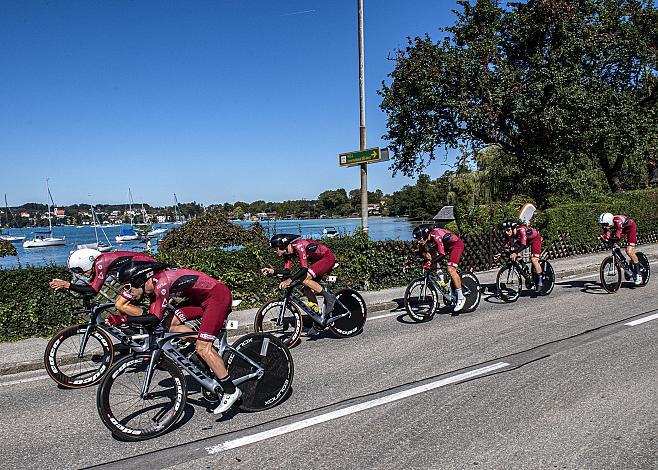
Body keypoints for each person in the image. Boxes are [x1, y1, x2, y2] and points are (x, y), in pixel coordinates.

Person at [116, 260, 240, 414]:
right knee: (170, 325)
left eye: (128, 287)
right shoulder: (153, 288)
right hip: (199, 300)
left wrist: (125, 319)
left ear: (139, 280)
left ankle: (231, 391)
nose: (127, 293)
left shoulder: (162, 283)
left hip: (217, 296)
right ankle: (208, 350)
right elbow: (156, 320)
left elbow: (154, 318)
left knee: (203, 348)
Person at [261, 234, 337, 323]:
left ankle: (330, 298)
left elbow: (304, 269)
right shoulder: (287, 254)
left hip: (327, 258)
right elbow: (287, 271)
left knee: (304, 279)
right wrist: (272, 271)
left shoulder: (299, 245)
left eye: (275, 249)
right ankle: (318, 320)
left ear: (282, 246)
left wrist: (289, 280)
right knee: (307, 290)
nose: (274, 251)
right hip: (317, 261)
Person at [404, 224, 467, 312]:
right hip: (446, 246)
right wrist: (409, 261)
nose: (418, 242)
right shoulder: (424, 239)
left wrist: (430, 263)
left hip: (456, 245)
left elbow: (442, 254)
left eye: (419, 239)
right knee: (428, 255)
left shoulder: (436, 235)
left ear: (425, 235)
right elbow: (421, 253)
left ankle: (461, 298)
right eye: (417, 239)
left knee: (450, 269)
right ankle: (442, 280)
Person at [49, 248, 156, 299]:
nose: (79, 274)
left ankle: (150, 330)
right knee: (122, 304)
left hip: (147, 272)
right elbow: (91, 290)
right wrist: (67, 287)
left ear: (86, 263)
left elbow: (93, 289)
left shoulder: (101, 262)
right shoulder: (98, 263)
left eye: (79, 270)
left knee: (121, 304)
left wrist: (66, 285)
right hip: (138, 275)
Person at [598, 212, 641, 285]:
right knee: (613, 245)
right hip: (622, 229)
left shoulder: (618, 221)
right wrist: (603, 237)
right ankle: (626, 266)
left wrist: (609, 238)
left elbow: (617, 236)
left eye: (605, 225)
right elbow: (607, 235)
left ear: (609, 221)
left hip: (630, 228)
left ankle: (638, 274)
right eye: (602, 225)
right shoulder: (607, 224)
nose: (604, 227)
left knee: (629, 251)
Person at [501, 219, 543, 291]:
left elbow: (523, 245)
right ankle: (524, 268)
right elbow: (505, 247)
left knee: (534, 260)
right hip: (525, 240)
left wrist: (515, 253)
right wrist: (501, 253)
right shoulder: (508, 234)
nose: (506, 232)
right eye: (505, 230)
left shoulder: (521, 230)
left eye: (508, 230)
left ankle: (540, 282)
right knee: (513, 251)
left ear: (513, 228)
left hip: (535, 239)